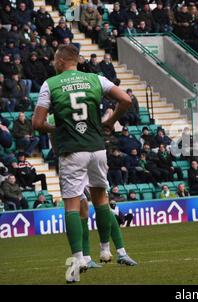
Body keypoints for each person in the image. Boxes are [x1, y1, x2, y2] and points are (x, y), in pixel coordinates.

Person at [32, 44, 136, 283]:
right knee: (101, 199)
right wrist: (111, 121)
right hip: (97, 148)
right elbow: (126, 100)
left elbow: (37, 123)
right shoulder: (95, 78)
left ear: (60, 61)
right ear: (77, 61)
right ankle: (106, 250)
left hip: (72, 150)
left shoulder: (51, 84)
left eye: (54, 61)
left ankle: (78, 259)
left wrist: (55, 129)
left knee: (71, 205)